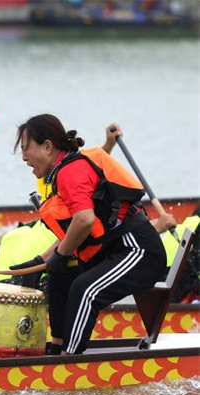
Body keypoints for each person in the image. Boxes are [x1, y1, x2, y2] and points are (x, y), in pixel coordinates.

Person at [10, 114, 166, 355]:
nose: (23, 157)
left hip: (139, 253)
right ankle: (57, 346)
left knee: (85, 290)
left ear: (48, 146)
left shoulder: (69, 171)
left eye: (25, 148)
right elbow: (75, 226)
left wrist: (60, 256)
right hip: (116, 251)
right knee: (58, 279)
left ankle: (68, 362)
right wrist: (43, 260)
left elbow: (85, 220)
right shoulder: (66, 168)